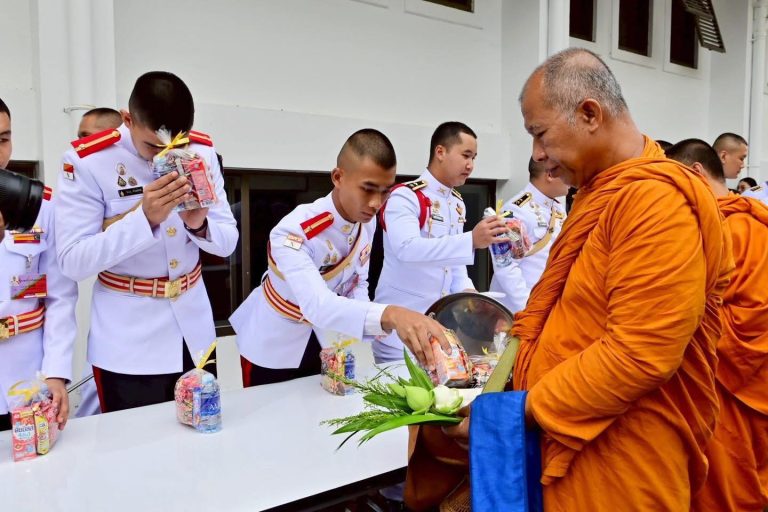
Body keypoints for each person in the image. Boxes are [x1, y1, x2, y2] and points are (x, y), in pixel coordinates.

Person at [408, 48, 731, 511]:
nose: (538, 155)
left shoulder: (657, 203)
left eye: (540, 134)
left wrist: (517, 412)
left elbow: (639, 353)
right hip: (568, 431)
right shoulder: (599, 194)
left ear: (590, 114)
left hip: (621, 459)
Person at [55, 71, 238, 413]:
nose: (164, 155)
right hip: (128, 343)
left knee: (202, 430)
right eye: (153, 146)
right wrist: (144, 219)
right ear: (127, 120)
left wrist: (199, 224)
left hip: (194, 335)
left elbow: (228, 241)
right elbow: (72, 260)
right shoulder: (89, 162)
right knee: (133, 442)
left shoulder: (202, 151)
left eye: (177, 143)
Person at [230, 129, 450, 386]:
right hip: (275, 344)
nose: (376, 203)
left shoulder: (366, 223)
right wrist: (389, 315)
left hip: (328, 339)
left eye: (385, 191)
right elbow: (318, 305)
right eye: (368, 189)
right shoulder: (294, 231)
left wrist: (376, 326)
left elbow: (357, 282)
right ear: (338, 177)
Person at [667, 139, 768, 512]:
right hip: (729, 377)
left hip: (730, 377)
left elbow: (753, 312)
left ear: (695, 173)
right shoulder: (723, 222)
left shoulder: (737, 226)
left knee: (730, 483)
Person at [374, 122, 507, 363]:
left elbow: (454, 267)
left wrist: (472, 297)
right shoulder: (406, 196)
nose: (470, 165)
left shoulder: (456, 203)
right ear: (440, 152)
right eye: (466, 155)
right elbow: (407, 249)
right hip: (401, 329)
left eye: (474, 158)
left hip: (439, 327)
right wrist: (471, 240)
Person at [0, 97, 78, 431]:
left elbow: (58, 296)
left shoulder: (39, 207)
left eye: (3, 139)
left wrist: (55, 372)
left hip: (26, 380)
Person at [73, 109, 122, 418]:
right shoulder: (78, 183)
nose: (80, 146)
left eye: (87, 138)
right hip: (111, 320)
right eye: (79, 138)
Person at [489, 157, 568, 313]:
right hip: (517, 311)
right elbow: (506, 267)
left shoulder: (558, 209)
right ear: (550, 175)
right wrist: (529, 308)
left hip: (547, 307)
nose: (571, 176)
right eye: (567, 170)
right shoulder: (516, 211)